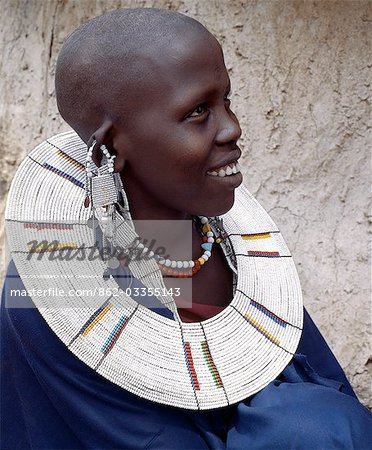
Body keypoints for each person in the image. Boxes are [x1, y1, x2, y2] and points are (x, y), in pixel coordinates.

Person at [1, 8, 371, 450]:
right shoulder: (57, 290)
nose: (232, 129)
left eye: (226, 101)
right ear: (111, 147)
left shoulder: (222, 242)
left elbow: (307, 371)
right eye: (198, 111)